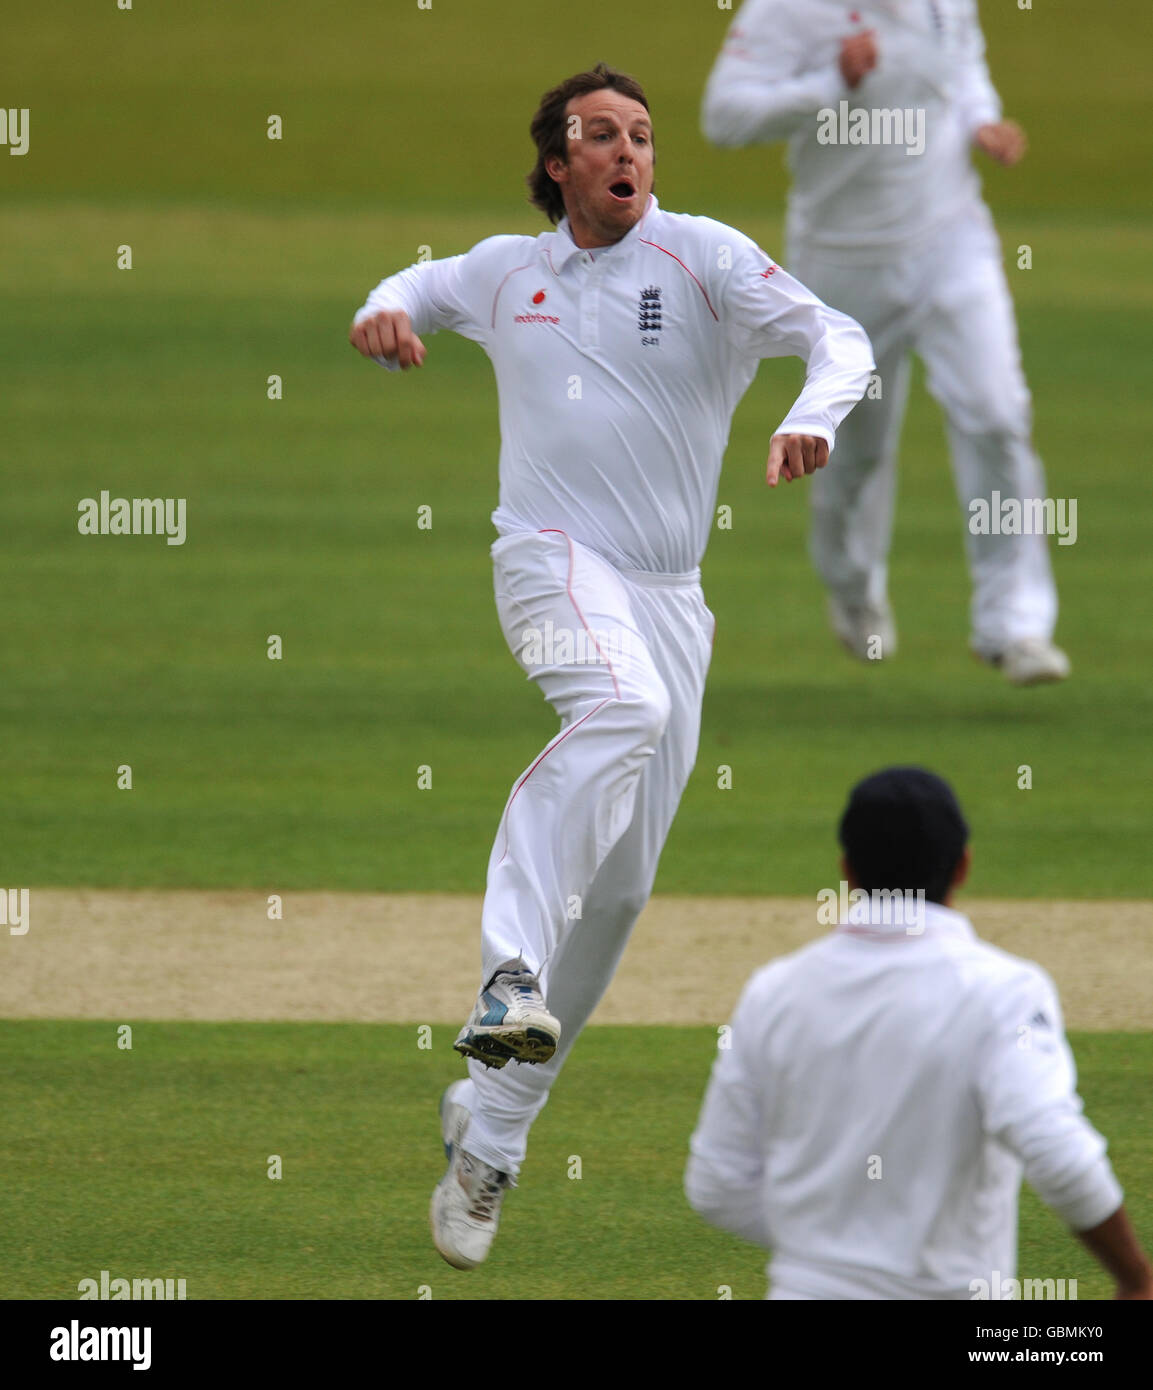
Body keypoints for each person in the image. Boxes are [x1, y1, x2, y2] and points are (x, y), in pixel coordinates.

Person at [349, 63, 874, 1270]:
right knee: (618, 704)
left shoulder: (701, 257)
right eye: (602, 137)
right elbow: (415, 286)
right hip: (544, 560)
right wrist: (383, 313)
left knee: (624, 888)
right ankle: (505, 977)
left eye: (642, 136)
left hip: (669, 595)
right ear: (557, 164)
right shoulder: (506, 272)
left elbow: (834, 335)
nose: (628, 152)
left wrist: (815, 416)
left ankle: (490, 1135)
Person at [702, 1, 1070, 685]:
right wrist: (829, 84)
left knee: (996, 415)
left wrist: (979, 121)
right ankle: (851, 585)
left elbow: (961, 71)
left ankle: (1013, 624)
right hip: (841, 262)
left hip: (951, 239)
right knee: (855, 454)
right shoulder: (786, 11)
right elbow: (722, 117)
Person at [685, 767, 1152, 1300]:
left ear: (847, 871)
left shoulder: (773, 991)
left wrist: (828, 1242)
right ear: (963, 867)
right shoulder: (1005, 991)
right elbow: (1054, 1148)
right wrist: (1136, 1278)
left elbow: (716, 1187)